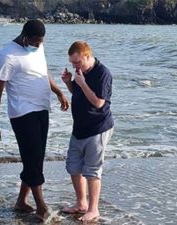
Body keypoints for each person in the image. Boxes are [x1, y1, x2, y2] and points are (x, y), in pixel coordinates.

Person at [0, 19, 69, 222]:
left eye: (41, 42)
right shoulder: (7, 55)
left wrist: (58, 91)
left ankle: (21, 201)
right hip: (23, 114)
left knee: (36, 158)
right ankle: (41, 207)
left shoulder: (38, 47)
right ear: (25, 36)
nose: (38, 45)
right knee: (33, 158)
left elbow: (43, 71)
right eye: (35, 42)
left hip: (42, 109)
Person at [61, 41, 114, 222]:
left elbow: (99, 103)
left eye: (77, 62)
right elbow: (78, 93)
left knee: (92, 169)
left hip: (98, 127)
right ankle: (81, 203)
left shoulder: (102, 73)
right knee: (73, 166)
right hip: (79, 128)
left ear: (87, 56)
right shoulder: (79, 72)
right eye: (73, 63)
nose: (75, 66)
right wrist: (70, 83)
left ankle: (93, 209)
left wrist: (82, 83)